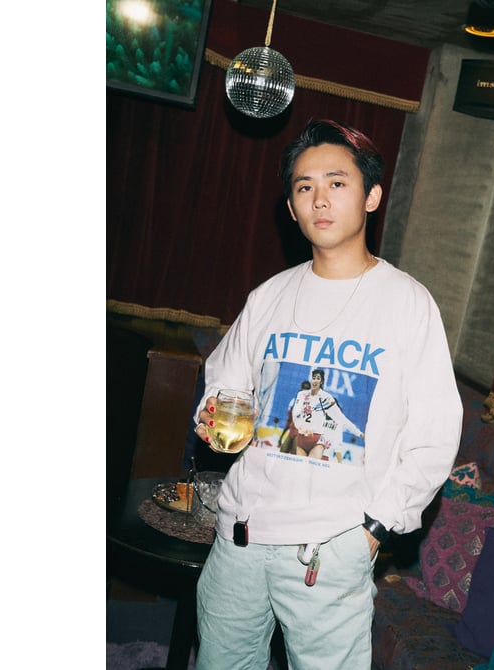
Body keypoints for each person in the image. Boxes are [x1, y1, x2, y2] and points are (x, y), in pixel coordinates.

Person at [190, 118, 462, 670]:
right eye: (304, 186)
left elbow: (434, 436)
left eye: (337, 183)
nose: (319, 199)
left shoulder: (408, 303)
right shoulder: (269, 296)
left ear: (372, 197)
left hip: (332, 547)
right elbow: (225, 382)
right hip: (240, 538)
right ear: (291, 208)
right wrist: (213, 413)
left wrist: (375, 528)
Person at [289, 368, 365, 461]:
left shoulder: (327, 398)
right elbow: (295, 413)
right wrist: (300, 426)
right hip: (302, 437)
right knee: (300, 467)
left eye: (318, 378)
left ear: (321, 382)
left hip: (317, 440)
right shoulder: (302, 394)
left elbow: (341, 418)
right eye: (313, 378)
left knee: (311, 465)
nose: (315, 380)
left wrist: (358, 433)